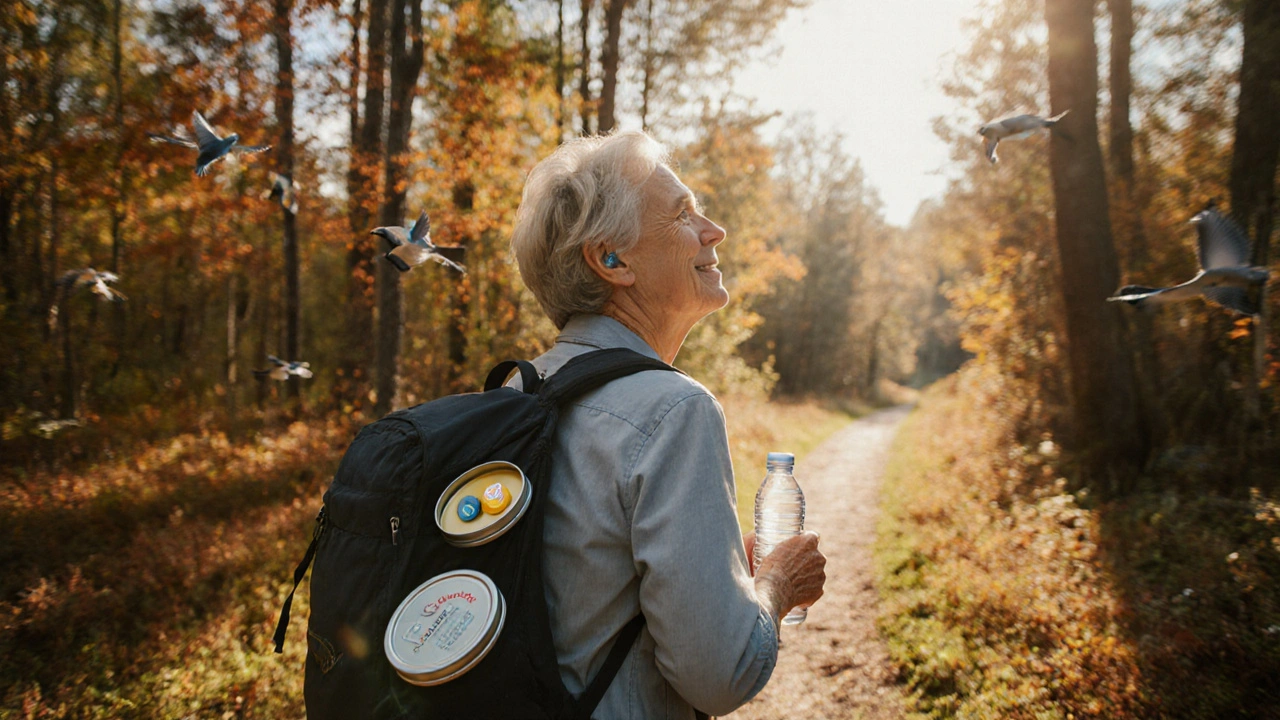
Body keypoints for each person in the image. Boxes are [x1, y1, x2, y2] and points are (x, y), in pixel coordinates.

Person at [510, 130, 827, 719]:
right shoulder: (673, 411)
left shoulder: (514, 396)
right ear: (611, 259)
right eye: (683, 214)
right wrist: (777, 584)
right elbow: (720, 675)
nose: (715, 230)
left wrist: (728, 583)